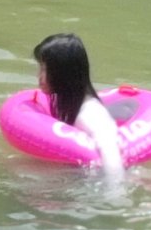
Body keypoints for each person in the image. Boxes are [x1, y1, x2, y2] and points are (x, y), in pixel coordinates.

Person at [30, 32, 126, 178]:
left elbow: (112, 157)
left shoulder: (91, 113)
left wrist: (115, 191)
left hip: (94, 181)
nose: (38, 76)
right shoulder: (70, 106)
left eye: (44, 69)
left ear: (62, 72)